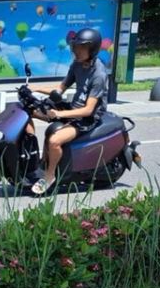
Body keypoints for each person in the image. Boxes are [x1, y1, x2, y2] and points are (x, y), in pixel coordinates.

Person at [28, 27, 109, 196]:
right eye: (75, 48)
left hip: (87, 118)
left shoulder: (99, 74)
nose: (76, 52)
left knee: (55, 141)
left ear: (92, 49)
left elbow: (88, 110)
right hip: (73, 108)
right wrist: (35, 89)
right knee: (30, 111)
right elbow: (60, 89)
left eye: (81, 48)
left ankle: (49, 176)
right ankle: (37, 161)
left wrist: (59, 114)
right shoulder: (77, 65)